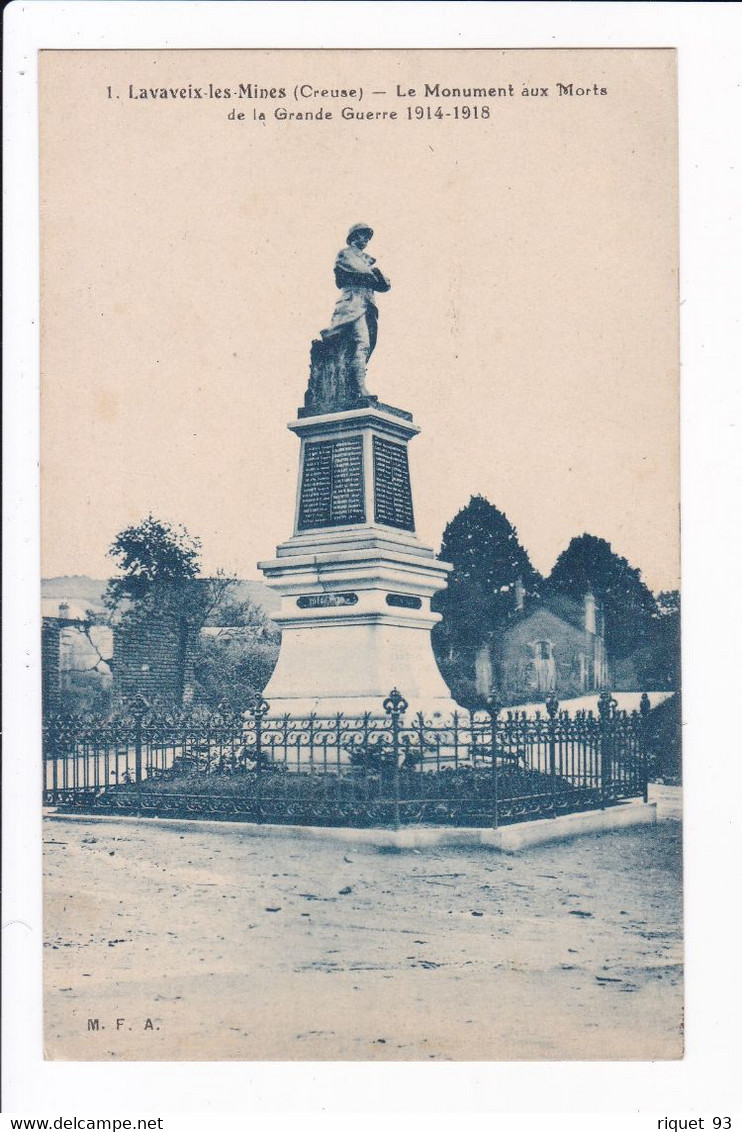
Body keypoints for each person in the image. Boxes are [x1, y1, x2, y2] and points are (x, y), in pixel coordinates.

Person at [320, 223, 391, 397]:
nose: (365, 239)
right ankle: (359, 388)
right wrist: (374, 274)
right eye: (362, 235)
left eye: (368, 236)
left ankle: (355, 386)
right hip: (352, 304)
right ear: (353, 237)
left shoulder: (367, 259)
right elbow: (361, 271)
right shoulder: (346, 254)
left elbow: (385, 285)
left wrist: (375, 274)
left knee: (367, 346)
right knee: (362, 343)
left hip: (368, 306)